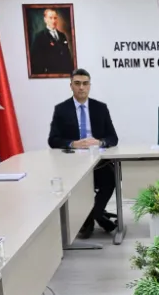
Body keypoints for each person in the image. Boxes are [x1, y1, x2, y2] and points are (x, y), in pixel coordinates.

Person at [47, 68, 119, 238]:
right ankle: (94, 218)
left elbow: (113, 138)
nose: (81, 87)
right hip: (72, 163)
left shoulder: (100, 108)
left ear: (89, 86)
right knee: (76, 186)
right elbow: (53, 140)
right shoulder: (61, 109)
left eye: (85, 84)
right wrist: (73, 144)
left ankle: (93, 215)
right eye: (77, 83)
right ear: (71, 86)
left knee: (111, 179)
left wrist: (99, 142)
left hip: (98, 162)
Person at [30, 8, 74, 76]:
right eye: (50, 18)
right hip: (49, 74)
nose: (53, 21)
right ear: (45, 19)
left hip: (64, 73)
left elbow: (67, 56)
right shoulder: (39, 36)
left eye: (55, 18)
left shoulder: (62, 35)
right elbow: (36, 60)